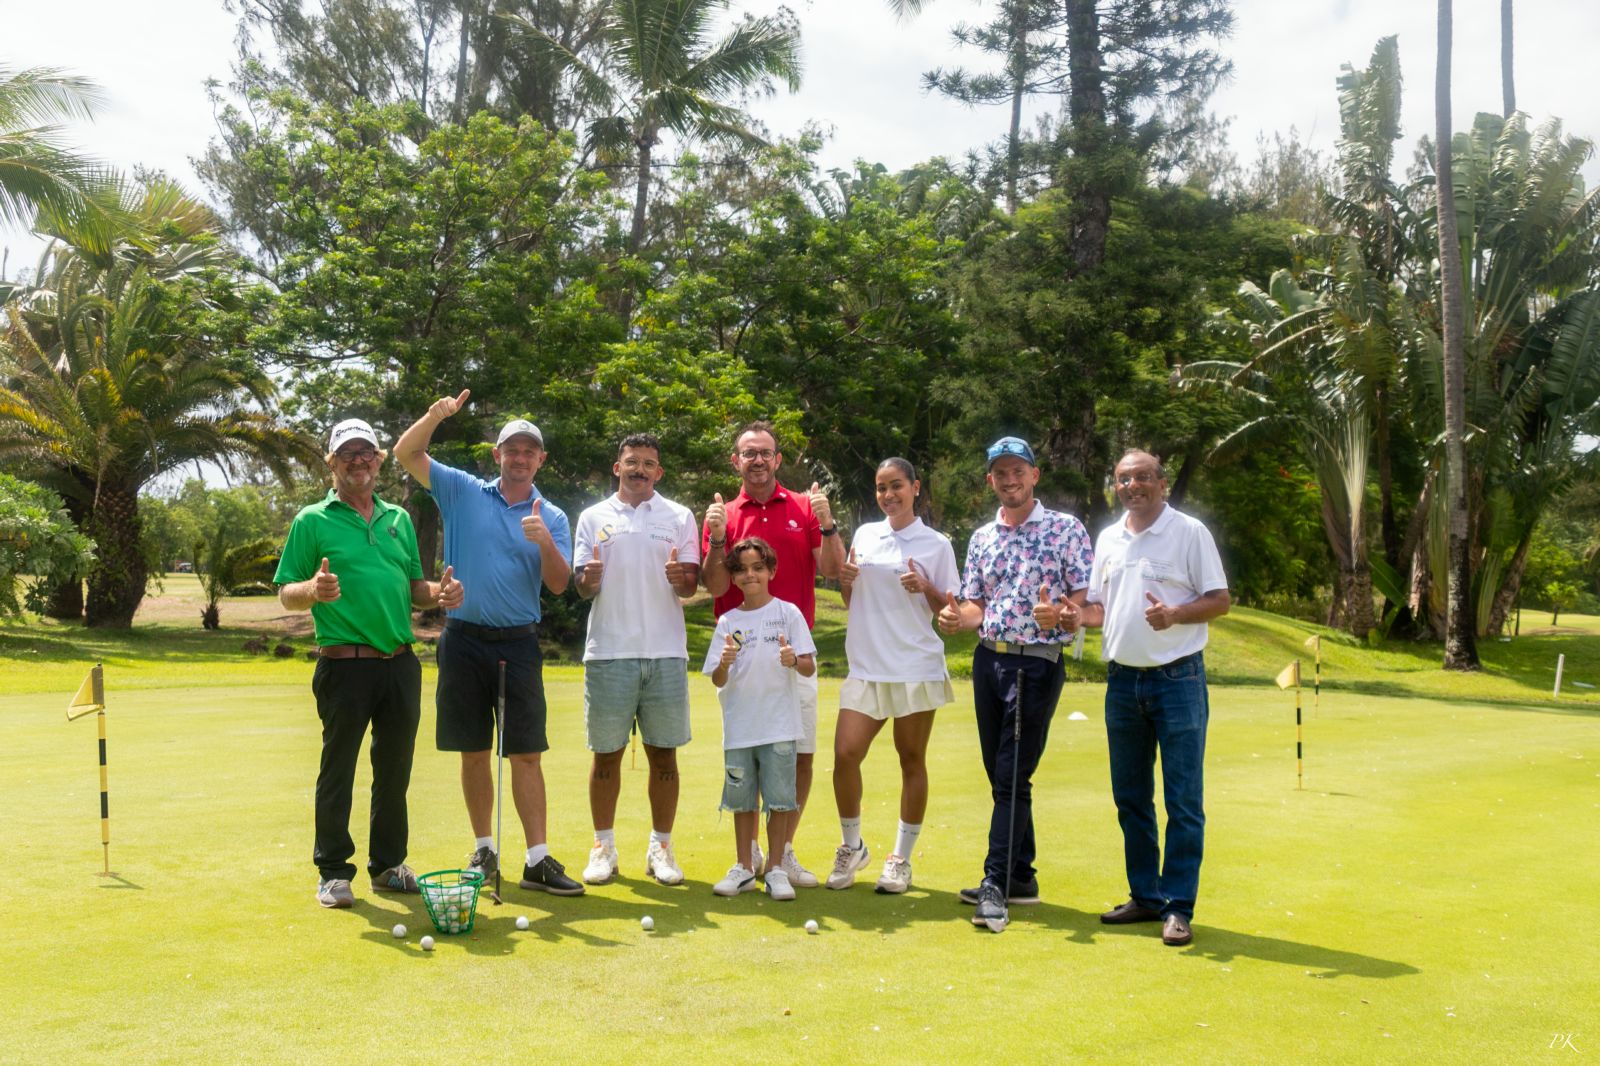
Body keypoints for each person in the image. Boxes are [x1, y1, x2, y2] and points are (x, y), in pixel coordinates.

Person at [393, 392, 583, 897]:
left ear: (540, 459)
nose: (519, 458)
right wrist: (434, 416)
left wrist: (543, 540)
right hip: (462, 640)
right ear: (496, 455)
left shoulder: (554, 516)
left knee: (526, 753)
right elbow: (406, 454)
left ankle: (537, 859)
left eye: (529, 451)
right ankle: (484, 849)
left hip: (518, 644)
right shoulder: (462, 490)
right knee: (474, 751)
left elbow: (561, 585)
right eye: (510, 449)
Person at [275, 417, 465, 909]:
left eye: (367, 453)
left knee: (395, 770)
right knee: (338, 769)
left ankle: (388, 865)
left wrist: (438, 594)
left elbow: (413, 588)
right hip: (345, 664)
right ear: (332, 463)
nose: (358, 460)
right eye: (348, 453)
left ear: (379, 461)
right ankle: (334, 871)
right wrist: (312, 591)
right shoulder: (312, 520)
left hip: (399, 663)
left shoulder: (398, 519)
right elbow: (286, 594)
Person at [937, 436, 1093, 932]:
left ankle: (995, 884)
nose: (1010, 480)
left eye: (1018, 471)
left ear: (1034, 475)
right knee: (1000, 773)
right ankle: (1021, 876)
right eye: (1000, 472)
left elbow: (1082, 606)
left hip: (1036, 664)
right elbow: (976, 604)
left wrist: (1062, 615)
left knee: (1009, 774)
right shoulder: (982, 537)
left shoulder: (1066, 529)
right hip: (989, 661)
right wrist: (956, 617)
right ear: (991, 480)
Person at [1076, 449, 1230, 947]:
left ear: (1162, 483)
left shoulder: (1190, 532)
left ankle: (1178, 907)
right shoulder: (1109, 538)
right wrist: (1073, 617)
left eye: (1143, 477)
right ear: (1115, 486)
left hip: (1178, 680)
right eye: (1124, 479)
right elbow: (1100, 608)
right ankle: (1145, 897)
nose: (1133, 486)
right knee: (1131, 798)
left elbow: (1219, 599)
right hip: (1123, 682)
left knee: (1183, 800)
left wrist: (1178, 615)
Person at [701, 421, 844, 887]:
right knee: (746, 755)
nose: (757, 460)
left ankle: (782, 854)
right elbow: (716, 585)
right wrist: (718, 537)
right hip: (742, 662)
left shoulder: (802, 507)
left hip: (793, 652)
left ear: (777, 459)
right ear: (735, 461)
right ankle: (749, 856)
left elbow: (833, 571)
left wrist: (827, 523)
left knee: (797, 756)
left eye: (765, 452)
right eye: (748, 453)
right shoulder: (724, 514)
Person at [827, 457, 959, 894]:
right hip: (866, 665)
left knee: (910, 759)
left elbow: (950, 613)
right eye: (881, 487)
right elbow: (852, 600)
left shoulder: (937, 543)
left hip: (914, 666)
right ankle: (852, 846)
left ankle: (900, 859)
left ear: (915, 487)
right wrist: (847, 579)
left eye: (896, 486)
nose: (888, 495)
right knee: (846, 754)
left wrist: (927, 588)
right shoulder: (866, 535)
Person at [574, 433, 701, 886]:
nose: (640, 470)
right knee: (605, 757)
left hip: (665, 652)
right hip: (609, 652)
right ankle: (603, 847)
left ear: (659, 473)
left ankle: (661, 848)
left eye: (649, 464)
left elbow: (688, 586)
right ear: (617, 467)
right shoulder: (592, 517)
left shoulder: (679, 516)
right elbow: (583, 588)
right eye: (632, 462)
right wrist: (588, 579)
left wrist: (680, 577)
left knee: (663, 758)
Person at [702, 537, 817, 900]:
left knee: (781, 799)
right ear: (733, 577)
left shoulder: (788, 614)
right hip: (739, 729)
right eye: (742, 570)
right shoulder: (728, 621)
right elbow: (717, 678)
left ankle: (777, 869)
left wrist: (792, 661)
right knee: (742, 800)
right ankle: (744, 868)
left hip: (779, 725)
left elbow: (809, 666)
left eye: (757, 568)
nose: (750, 575)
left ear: (771, 571)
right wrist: (723, 663)